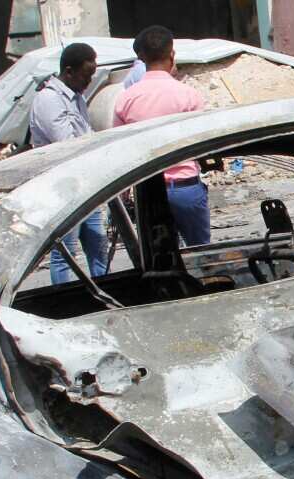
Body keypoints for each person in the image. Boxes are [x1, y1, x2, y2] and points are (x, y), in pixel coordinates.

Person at [114, 26, 210, 247]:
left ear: (141, 57)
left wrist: (124, 195)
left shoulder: (125, 99)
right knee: (203, 253)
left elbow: (120, 151)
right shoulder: (189, 95)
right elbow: (202, 143)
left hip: (147, 193)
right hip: (185, 189)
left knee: (160, 259)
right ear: (172, 54)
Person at [29, 42, 109, 285]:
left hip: (86, 185)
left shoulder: (77, 99)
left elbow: (87, 133)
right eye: (86, 75)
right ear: (69, 71)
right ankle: (62, 300)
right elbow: (67, 144)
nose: (89, 81)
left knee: (98, 246)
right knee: (66, 253)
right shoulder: (49, 99)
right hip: (64, 188)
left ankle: (105, 291)